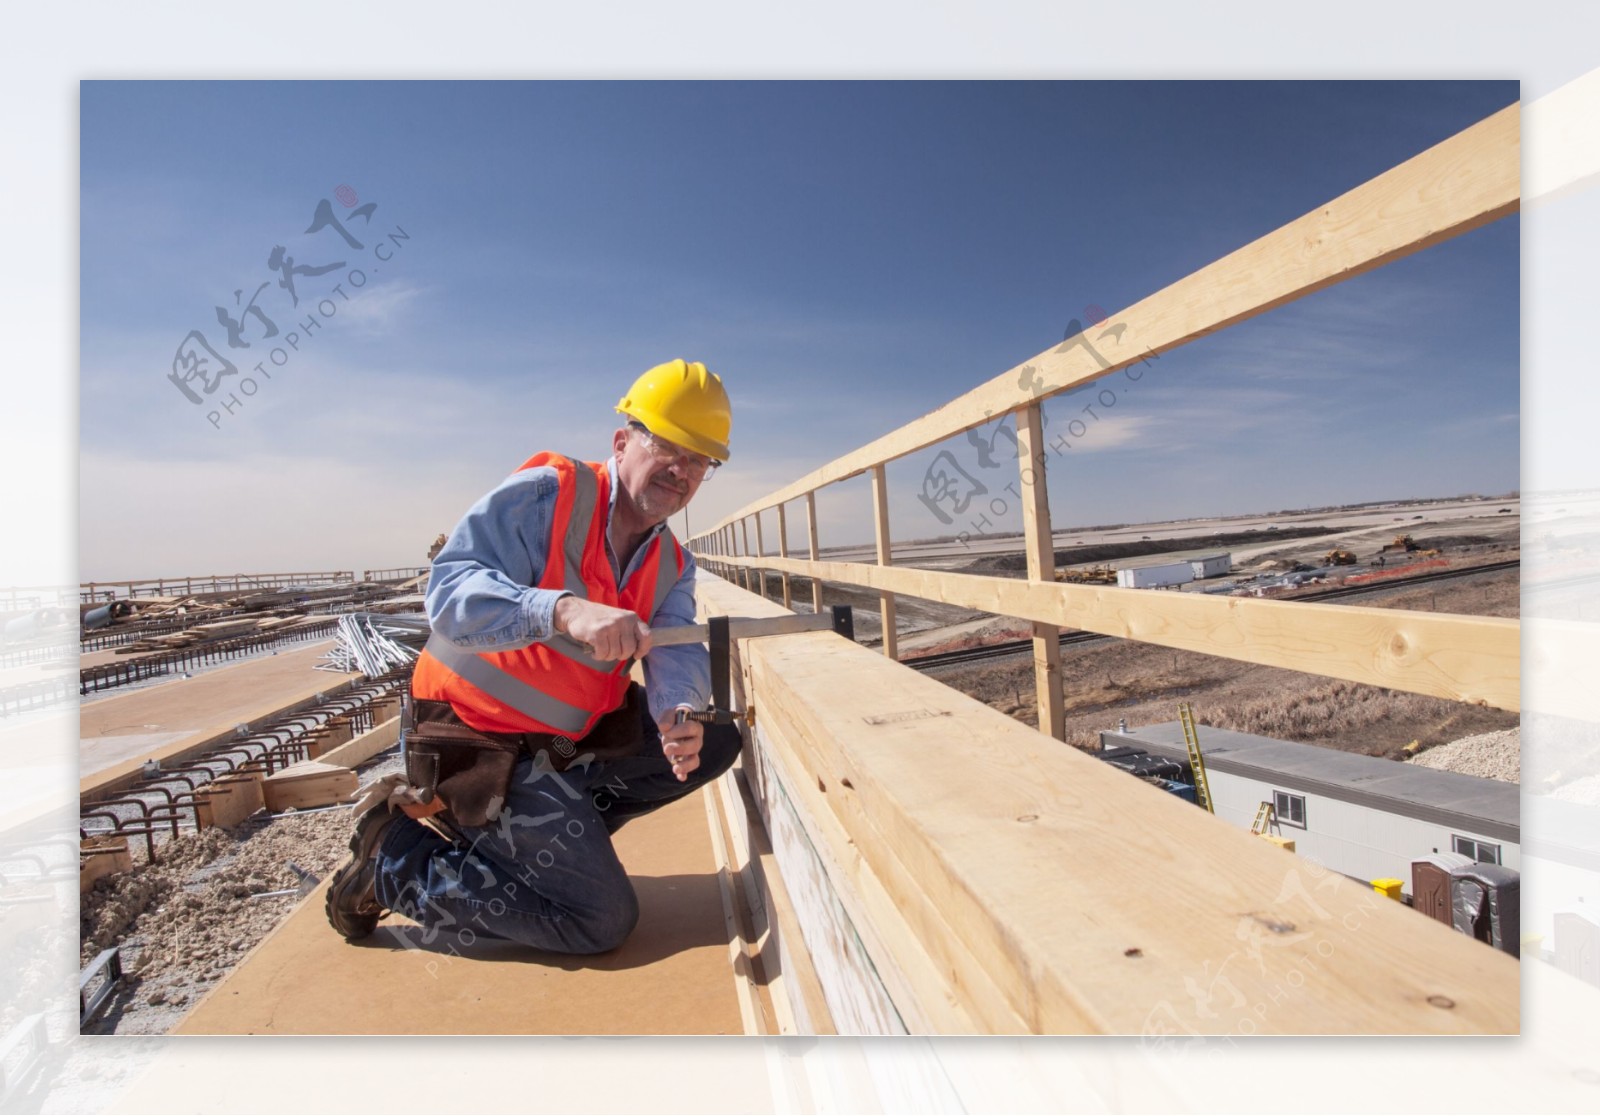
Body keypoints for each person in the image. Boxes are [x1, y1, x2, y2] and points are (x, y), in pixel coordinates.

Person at [325, 358, 739, 954]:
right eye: (668, 446)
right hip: (475, 735)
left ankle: (528, 847)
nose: (681, 470)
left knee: (716, 741)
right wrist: (562, 610)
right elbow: (448, 593)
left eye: (699, 460)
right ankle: (396, 861)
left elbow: (675, 647)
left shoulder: (672, 563)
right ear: (622, 442)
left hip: (565, 742)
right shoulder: (549, 497)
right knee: (599, 922)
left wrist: (679, 713)